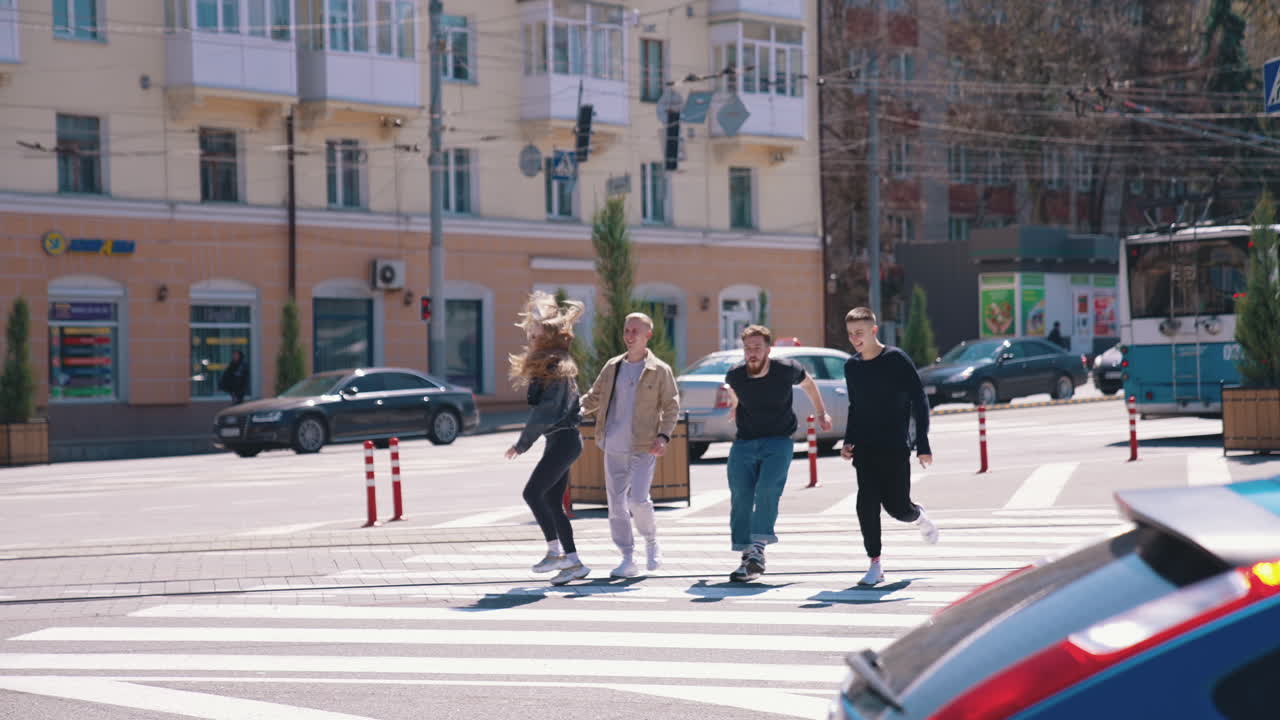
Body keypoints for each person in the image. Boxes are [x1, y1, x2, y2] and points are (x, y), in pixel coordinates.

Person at [724, 325, 832, 582]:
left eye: (757, 347)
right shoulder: (736, 374)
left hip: (778, 440)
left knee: (768, 489)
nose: (752, 352)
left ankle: (758, 549)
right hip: (745, 442)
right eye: (748, 348)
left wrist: (821, 412)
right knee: (740, 495)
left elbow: (808, 384)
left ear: (768, 349)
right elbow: (733, 389)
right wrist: (734, 404)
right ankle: (746, 553)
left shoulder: (786, 369)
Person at [840, 307, 939, 588]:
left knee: (897, 508)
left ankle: (919, 515)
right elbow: (855, 407)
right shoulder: (852, 366)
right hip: (866, 448)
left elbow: (919, 400)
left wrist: (923, 443)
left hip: (895, 445)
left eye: (859, 333)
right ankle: (875, 564)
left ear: (873, 330)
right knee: (865, 504)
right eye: (850, 334)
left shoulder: (895, 359)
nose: (854, 339)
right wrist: (848, 440)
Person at [580, 313, 680, 578]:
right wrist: (573, 409)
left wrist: (664, 436)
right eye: (627, 330)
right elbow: (594, 397)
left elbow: (671, 406)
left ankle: (651, 540)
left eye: (636, 330)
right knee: (615, 505)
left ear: (649, 334)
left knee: (637, 500)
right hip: (612, 444)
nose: (630, 335)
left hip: (644, 445)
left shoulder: (660, 370)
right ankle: (627, 557)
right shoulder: (613, 366)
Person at [504, 291, 590, 586]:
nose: (530, 335)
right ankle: (575, 563)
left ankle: (554, 553)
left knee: (532, 494)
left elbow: (545, 412)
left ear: (547, 339)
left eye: (535, 333)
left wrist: (522, 443)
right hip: (561, 442)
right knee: (553, 503)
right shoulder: (551, 365)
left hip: (564, 441)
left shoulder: (556, 369)